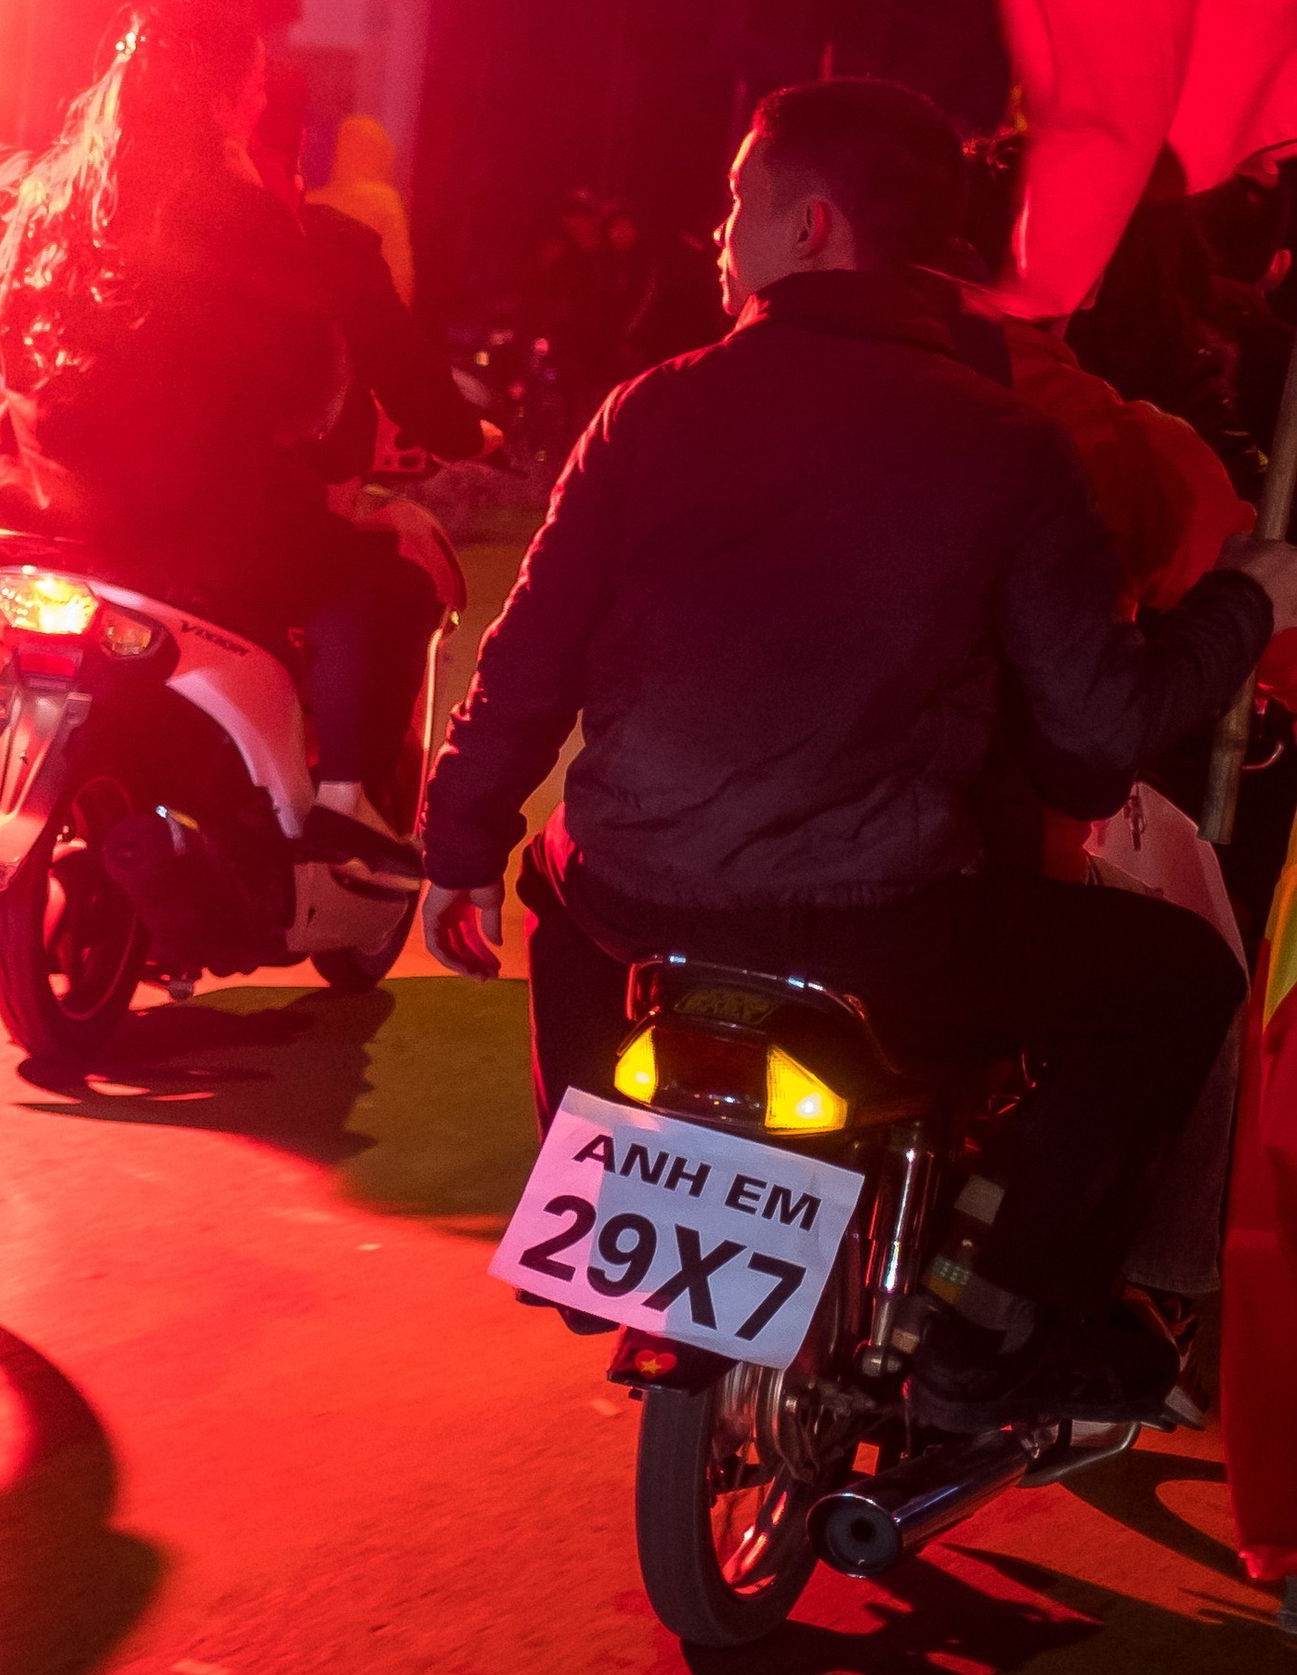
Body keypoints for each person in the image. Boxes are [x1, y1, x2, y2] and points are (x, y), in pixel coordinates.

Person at [417, 77, 1296, 1430]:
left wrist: (459, 849)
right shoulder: (1010, 442)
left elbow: (523, 667)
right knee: (1173, 979)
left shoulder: (647, 410)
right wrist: (1250, 603)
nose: (715, 235)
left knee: (551, 872)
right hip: (882, 928)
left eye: (734, 206)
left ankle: (599, 1209)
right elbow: (1094, 734)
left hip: (638, 894)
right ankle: (993, 1319)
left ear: (813, 226)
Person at [0, 0, 451, 804]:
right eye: (254, 79)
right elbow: (303, 388)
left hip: (42, 515)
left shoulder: (51, 198)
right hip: (195, 533)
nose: (261, 97)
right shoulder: (234, 215)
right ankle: (343, 805)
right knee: (388, 585)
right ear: (226, 93)